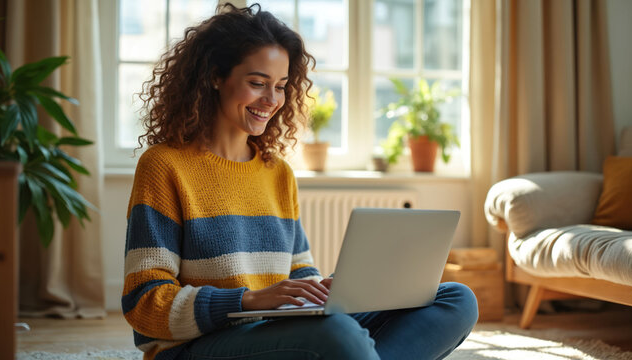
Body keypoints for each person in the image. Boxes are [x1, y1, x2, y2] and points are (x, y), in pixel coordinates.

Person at [123, 4, 478, 360]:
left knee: (456, 299)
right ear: (216, 76)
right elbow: (144, 302)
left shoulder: (277, 172)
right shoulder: (164, 166)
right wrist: (248, 301)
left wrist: (325, 290)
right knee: (337, 335)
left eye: (280, 86)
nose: (272, 100)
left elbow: (299, 270)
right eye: (257, 83)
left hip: (276, 333)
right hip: (198, 347)